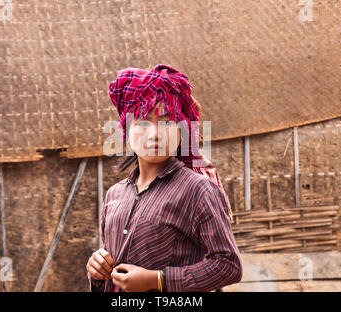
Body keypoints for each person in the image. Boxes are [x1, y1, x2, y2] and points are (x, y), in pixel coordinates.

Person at [86, 64, 242, 292]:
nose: (155, 134)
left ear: (182, 130)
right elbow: (112, 271)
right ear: (127, 129)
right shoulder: (115, 195)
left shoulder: (198, 190)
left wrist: (157, 280)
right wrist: (98, 270)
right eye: (142, 122)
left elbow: (228, 265)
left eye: (167, 122)